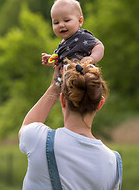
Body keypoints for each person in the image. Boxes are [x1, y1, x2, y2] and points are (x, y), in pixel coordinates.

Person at [19, 59, 122, 190]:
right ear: (100, 104)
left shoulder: (39, 139)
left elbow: (26, 126)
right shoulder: (113, 163)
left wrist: (55, 85)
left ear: (63, 99)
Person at [42, 0, 104, 84]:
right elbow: (61, 63)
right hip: (66, 84)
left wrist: (91, 58)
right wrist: (52, 61)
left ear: (80, 21)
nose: (61, 25)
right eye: (56, 22)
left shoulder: (81, 36)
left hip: (84, 80)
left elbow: (99, 46)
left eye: (66, 20)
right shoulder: (63, 45)